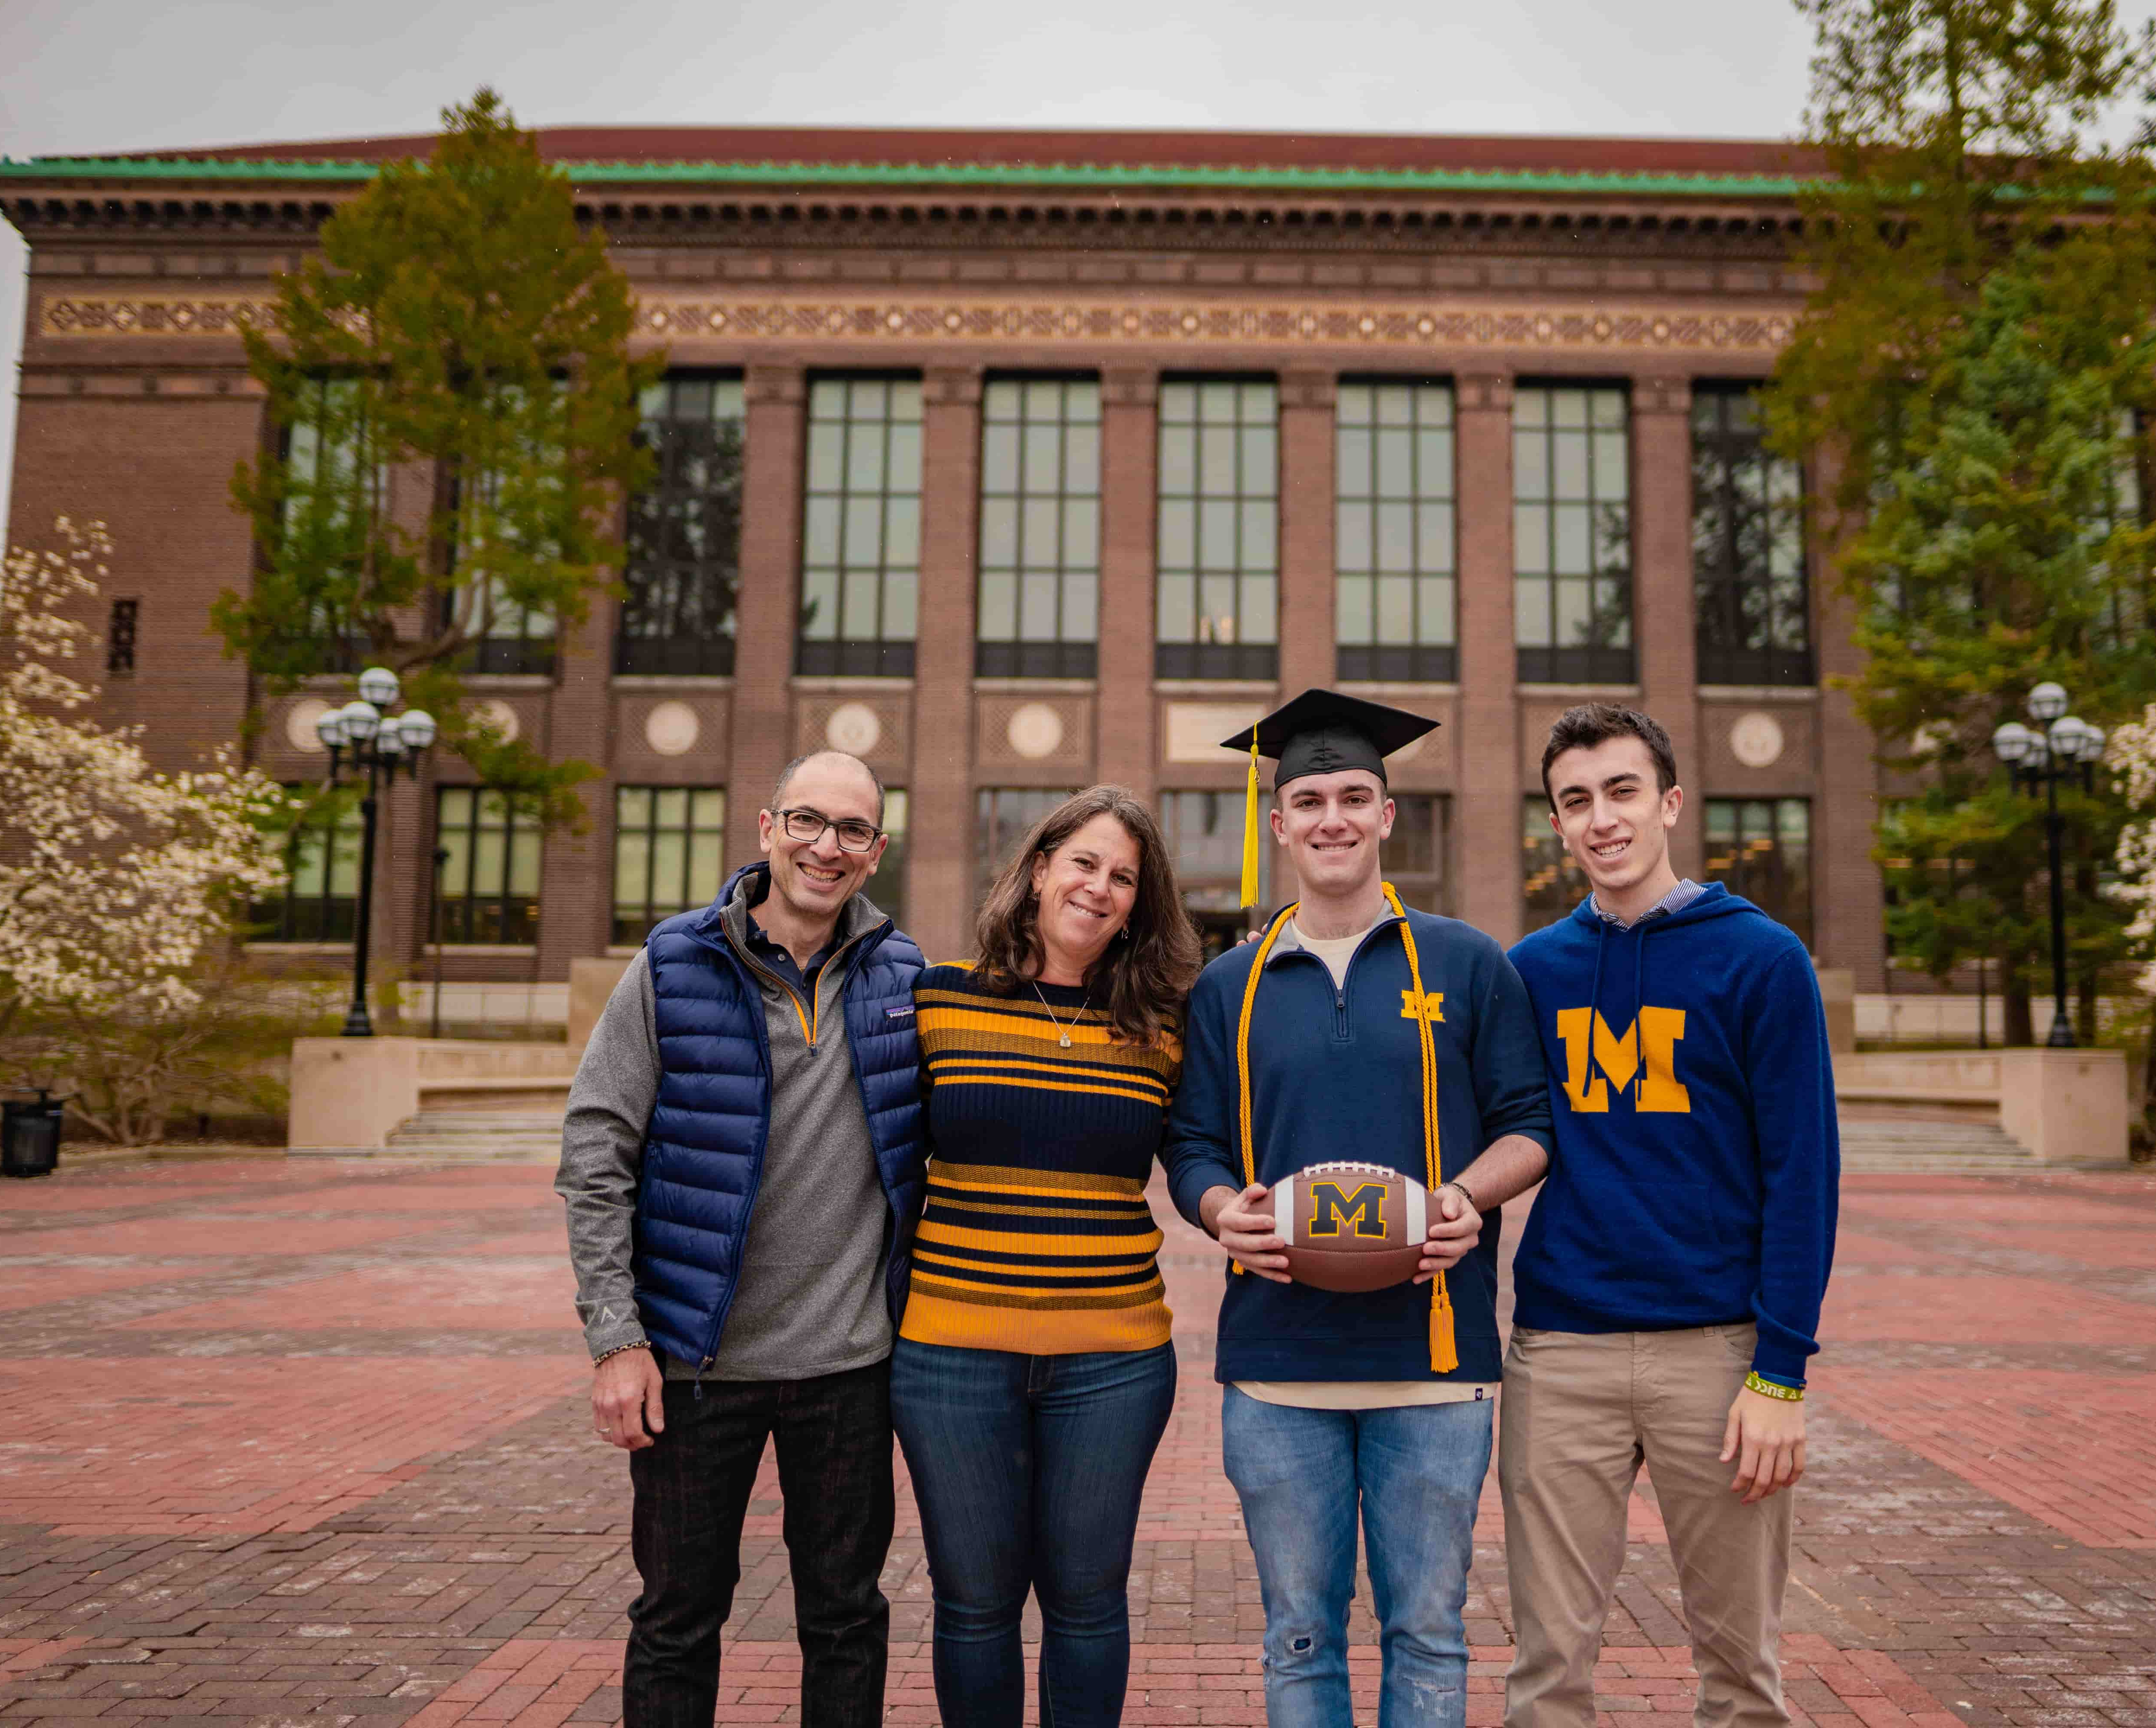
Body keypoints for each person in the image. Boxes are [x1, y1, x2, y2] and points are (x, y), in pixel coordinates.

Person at [1162, 689, 1556, 1728]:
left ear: (1387, 814)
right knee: (1299, 1632)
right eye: (1308, 798)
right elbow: (1191, 1140)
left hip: (1436, 1361)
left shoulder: (1468, 962)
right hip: (1277, 1366)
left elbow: (1531, 1121)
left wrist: (1468, 1196)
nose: (1331, 816)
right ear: (1278, 820)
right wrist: (1216, 1208)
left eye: (1353, 795)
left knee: (1427, 1628)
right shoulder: (1229, 985)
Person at [555, 749, 925, 1728]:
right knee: (678, 1617)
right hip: (694, 1366)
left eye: (852, 829)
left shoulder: (904, 976)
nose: (826, 845)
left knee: (846, 1617)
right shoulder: (674, 962)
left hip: (850, 1368)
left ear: (876, 851)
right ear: (766, 827)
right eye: (808, 820)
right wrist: (617, 1337)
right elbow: (596, 1150)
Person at [1499, 703, 1840, 1728]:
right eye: (1576, 800)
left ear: (1669, 802)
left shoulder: (1762, 959)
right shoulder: (1532, 972)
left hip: (1719, 1355)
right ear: (1555, 823)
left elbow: (1804, 1173)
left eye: (1621, 790)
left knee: (1741, 1673)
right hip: (1562, 1352)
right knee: (1548, 1666)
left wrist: (1781, 1369)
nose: (1601, 818)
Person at [893, 786, 1204, 1728]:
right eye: (1084, 863)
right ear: (1038, 870)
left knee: (1087, 1601)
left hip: (1111, 1358)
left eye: (1124, 878)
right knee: (976, 1604)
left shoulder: (1160, 1027)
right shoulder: (936, 999)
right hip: (951, 1351)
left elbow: (1194, 1154)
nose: (1100, 888)